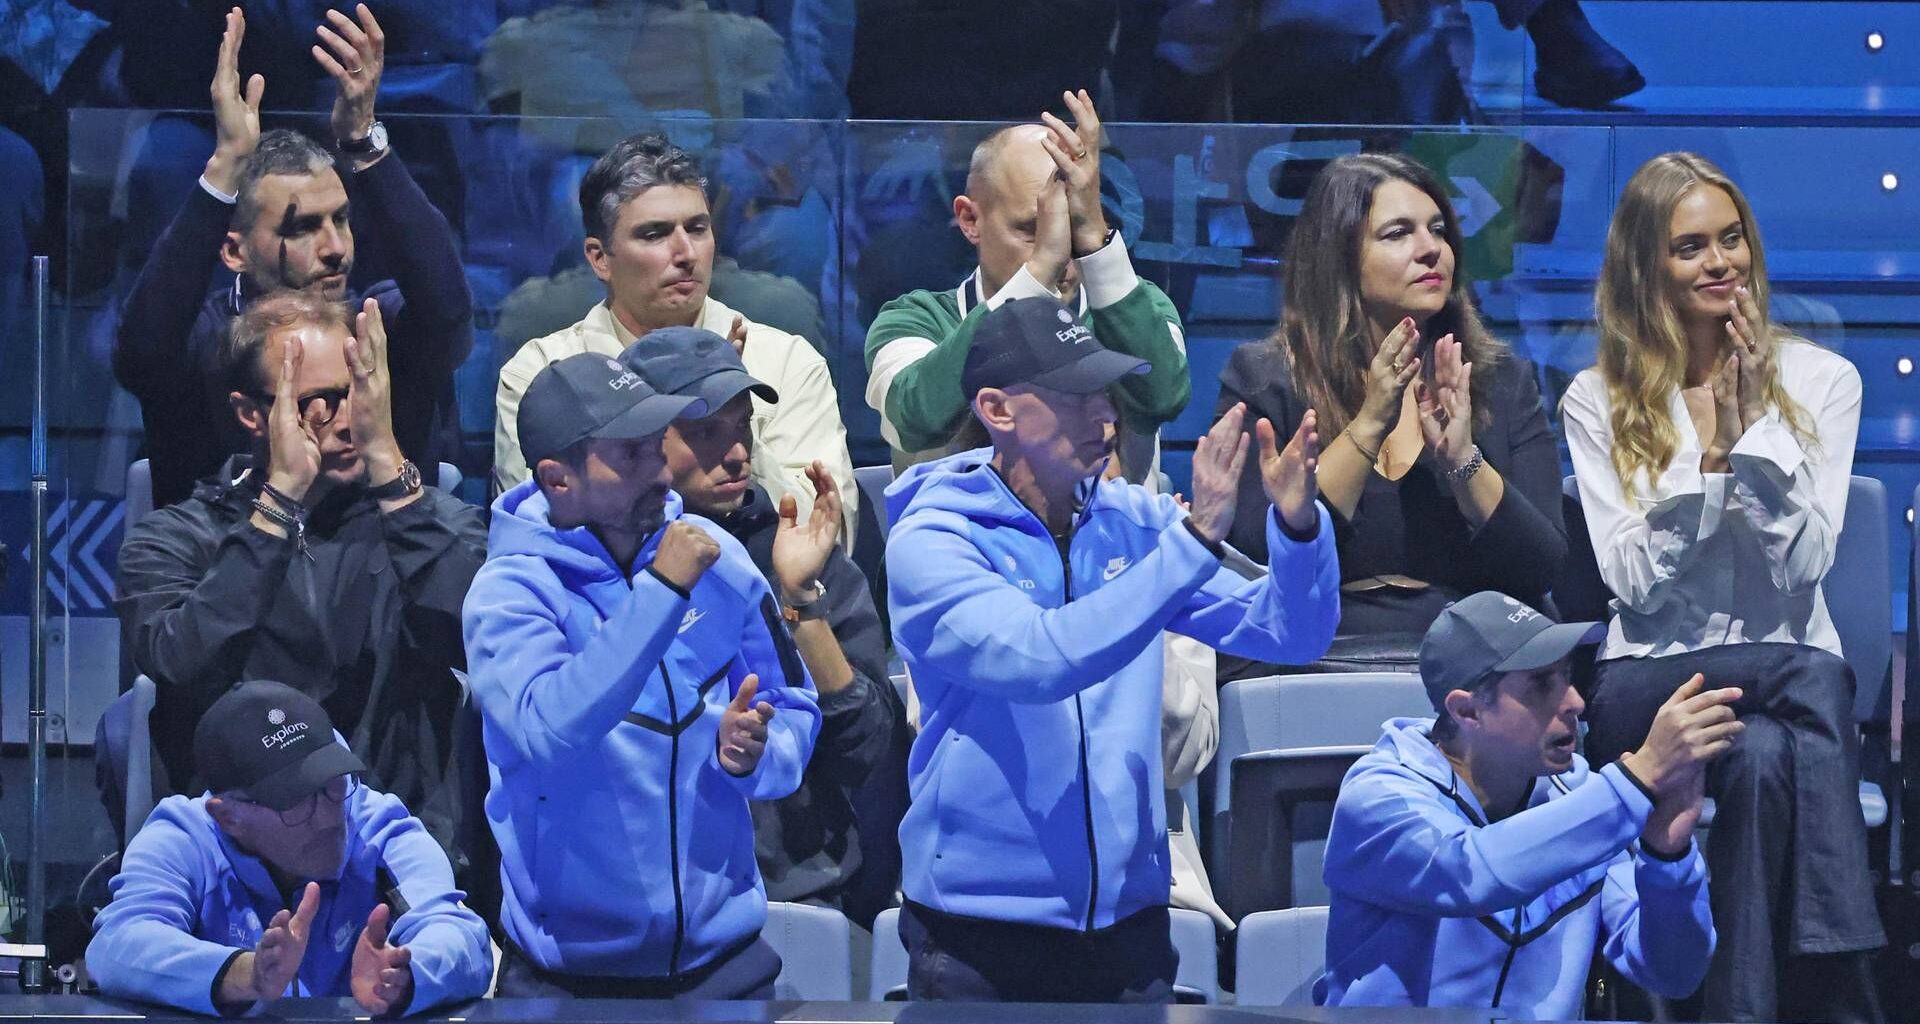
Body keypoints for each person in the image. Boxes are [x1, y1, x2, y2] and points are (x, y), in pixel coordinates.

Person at [884, 296, 1340, 1002]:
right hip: (980, 937)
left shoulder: (1136, 523)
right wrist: (1189, 544)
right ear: (997, 410)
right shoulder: (935, 542)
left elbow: (1293, 634)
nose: (1104, 416)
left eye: (1105, 392)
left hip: (1131, 932)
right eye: (1074, 397)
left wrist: (1299, 527)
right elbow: (1039, 661)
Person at [1562, 151, 1884, 1023]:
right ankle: (1848, 968)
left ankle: (1741, 1010)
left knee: (1762, 758)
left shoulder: (1824, 382)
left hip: (1775, 715)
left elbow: (1805, 565)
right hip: (1653, 683)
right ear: (1646, 266)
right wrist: (1711, 464)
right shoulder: (1599, 398)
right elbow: (1631, 584)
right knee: (1819, 672)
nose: (1720, 264)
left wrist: (1757, 438)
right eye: (1690, 247)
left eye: (1731, 240)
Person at [463, 352, 822, 997]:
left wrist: (756, 756)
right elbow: (550, 729)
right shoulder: (509, 593)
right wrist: (660, 591)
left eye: (658, 447)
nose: (660, 471)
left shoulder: (719, 556)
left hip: (728, 964)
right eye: (630, 456)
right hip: (571, 981)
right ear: (558, 480)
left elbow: (793, 699)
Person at [115, 292, 485, 850]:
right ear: (251, 414)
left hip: (404, 840)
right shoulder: (175, 538)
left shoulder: (428, 520)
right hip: (235, 843)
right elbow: (182, 663)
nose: (349, 422)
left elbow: (478, 641)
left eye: (360, 389)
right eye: (322, 401)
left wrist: (388, 463)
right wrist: (279, 502)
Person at [1214, 151, 1564, 676]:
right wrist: (1370, 421)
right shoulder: (1266, 380)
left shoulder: (1499, 383)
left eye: (1439, 230)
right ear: (1339, 257)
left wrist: (1463, 461)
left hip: (1466, 663)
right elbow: (1255, 561)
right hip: (1307, 649)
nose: (1431, 250)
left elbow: (1541, 567)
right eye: (1398, 233)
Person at [111, 6, 471, 509]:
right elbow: (141, 353)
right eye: (302, 227)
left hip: (378, 577)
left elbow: (448, 310)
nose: (336, 248)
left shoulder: (379, 326)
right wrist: (225, 168)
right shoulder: (205, 342)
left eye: (341, 220)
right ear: (234, 251)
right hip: (226, 574)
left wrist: (363, 141)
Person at [1318, 592, 1726, 1016]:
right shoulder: (1379, 797)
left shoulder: (1585, 796)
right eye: (1540, 684)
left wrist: (1667, 858)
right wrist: (1636, 783)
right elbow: (1469, 871)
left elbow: (1674, 974)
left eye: (1567, 676)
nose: (1575, 702)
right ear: (1468, 711)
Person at [624, 325, 907, 927]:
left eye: (742, 427)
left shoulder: (794, 549)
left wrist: (800, 602)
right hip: (648, 886)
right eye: (704, 434)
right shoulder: (604, 565)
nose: (736, 455)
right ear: (640, 440)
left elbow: (870, 749)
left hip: (800, 887)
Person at [491, 132, 856, 540]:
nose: (685, 253)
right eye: (654, 234)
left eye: (697, 228)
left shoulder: (787, 360)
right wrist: (672, 424)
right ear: (599, 258)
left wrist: (730, 424)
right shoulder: (540, 374)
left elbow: (828, 532)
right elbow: (532, 535)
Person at [88, 681, 492, 1015]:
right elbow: (118, 942)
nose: (330, 817)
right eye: (296, 802)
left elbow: (460, 936)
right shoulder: (183, 836)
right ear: (229, 816)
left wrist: (405, 977)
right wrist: (244, 975)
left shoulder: (379, 828)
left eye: (333, 784)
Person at [863, 89, 1190, 479]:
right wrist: (1036, 275)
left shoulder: (1138, 307)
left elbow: (1162, 398)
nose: (1059, 247)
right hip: (956, 539)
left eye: (1074, 224)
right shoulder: (915, 320)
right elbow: (915, 415)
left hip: (1110, 538)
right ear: (970, 219)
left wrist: (1098, 240)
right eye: (1031, 229)